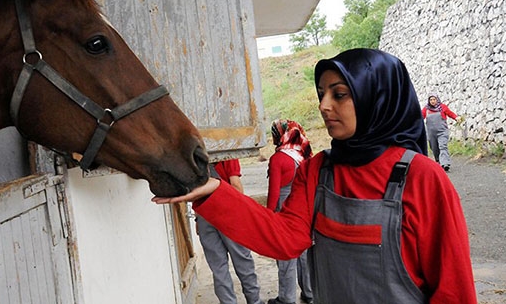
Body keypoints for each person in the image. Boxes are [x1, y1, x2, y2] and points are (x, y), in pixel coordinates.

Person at [154, 48, 477, 303]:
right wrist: (214, 192)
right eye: (321, 93)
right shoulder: (317, 169)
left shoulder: (423, 178)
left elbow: (454, 290)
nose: (324, 105)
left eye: (339, 94)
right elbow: (284, 238)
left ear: (375, 98)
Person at [196, 159, 264, 304]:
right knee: (243, 262)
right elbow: (235, 184)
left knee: (218, 268)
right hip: (228, 213)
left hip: (204, 214)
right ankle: (255, 301)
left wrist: (198, 219)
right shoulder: (227, 155)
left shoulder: (195, 157)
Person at [266, 120, 314, 304]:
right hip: (303, 212)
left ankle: (286, 298)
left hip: (284, 214)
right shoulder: (304, 154)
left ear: (279, 135)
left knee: (286, 256)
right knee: (304, 255)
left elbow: (274, 193)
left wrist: (269, 217)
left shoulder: (278, 159)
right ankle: (309, 293)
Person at [422, 94, 458, 171]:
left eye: (434, 99)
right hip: (431, 133)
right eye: (431, 100)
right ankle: (438, 161)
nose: (432, 101)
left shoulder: (443, 107)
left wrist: (456, 118)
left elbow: (450, 113)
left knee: (443, 146)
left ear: (437, 99)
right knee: (434, 148)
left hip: (442, 131)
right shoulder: (426, 109)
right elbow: (420, 117)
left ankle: (445, 164)